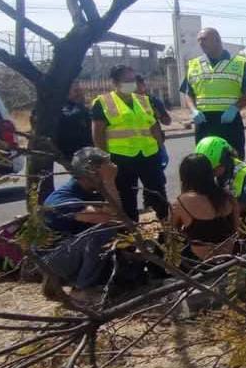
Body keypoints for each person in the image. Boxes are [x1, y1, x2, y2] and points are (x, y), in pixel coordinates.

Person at [40, 147, 122, 302]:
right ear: (90, 172)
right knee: (105, 231)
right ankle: (81, 290)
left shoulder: (89, 192)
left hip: (65, 251)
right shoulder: (64, 199)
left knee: (115, 233)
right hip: (51, 259)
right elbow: (106, 218)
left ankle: (58, 283)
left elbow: (118, 216)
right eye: (103, 171)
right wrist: (109, 181)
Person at [91, 64, 169, 221]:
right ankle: (132, 235)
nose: (131, 83)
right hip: (121, 158)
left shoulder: (144, 100)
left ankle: (166, 228)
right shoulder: (103, 102)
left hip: (149, 155)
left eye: (133, 79)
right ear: (115, 82)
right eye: (127, 80)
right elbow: (97, 134)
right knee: (127, 197)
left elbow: (154, 128)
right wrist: (104, 159)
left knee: (158, 192)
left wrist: (160, 149)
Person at [181, 27, 246, 159]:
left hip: (228, 121)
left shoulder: (238, 63)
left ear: (217, 40)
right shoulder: (194, 64)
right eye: (199, 40)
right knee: (204, 160)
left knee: (233, 159)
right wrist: (193, 110)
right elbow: (188, 92)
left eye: (204, 39)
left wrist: (235, 108)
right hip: (203, 122)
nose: (200, 43)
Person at [170, 153, 240, 263]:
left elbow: (172, 232)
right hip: (229, 256)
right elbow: (236, 230)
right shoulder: (228, 196)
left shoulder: (182, 202)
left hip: (199, 261)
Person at [194, 135, 246, 226]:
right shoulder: (215, 172)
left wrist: (216, 215)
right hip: (225, 203)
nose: (211, 174)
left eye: (214, 170)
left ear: (225, 161)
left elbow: (244, 204)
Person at [135, 74, 172, 170]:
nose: (137, 89)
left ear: (143, 85)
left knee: (157, 177)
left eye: (139, 85)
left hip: (155, 145)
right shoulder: (126, 103)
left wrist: (159, 114)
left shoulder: (153, 101)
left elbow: (167, 121)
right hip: (133, 147)